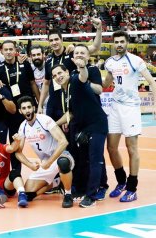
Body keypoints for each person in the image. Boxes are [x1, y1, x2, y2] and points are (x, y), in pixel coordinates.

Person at [103, 30, 156, 202]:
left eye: (122, 41)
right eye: (116, 42)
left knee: (131, 147)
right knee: (111, 147)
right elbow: (106, 83)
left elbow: (151, 81)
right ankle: (121, 182)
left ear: (127, 43)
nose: (119, 44)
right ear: (113, 44)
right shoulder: (110, 62)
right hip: (115, 107)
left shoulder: (136, 61)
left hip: (131, 108)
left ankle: (132, 188)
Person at [52, 49, 108, 207]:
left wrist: (82, 67)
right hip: (85, 128)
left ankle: (92, 197)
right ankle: (93, 188)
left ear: (67, 72)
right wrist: (52, 125)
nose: (58, 77)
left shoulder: (76, 79)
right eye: (55, 75)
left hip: (97, 124)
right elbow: (70, 113)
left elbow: (83, 78)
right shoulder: (66, 90)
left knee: (95, 160)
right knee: (86, 159)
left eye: (60, 73)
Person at [37, 18, 102, 121]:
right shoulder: (48, 60)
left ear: (62, 40)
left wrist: (99, 29)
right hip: (53, 104)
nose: (54, 42)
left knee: (68, 134)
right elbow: (46, 83)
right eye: (51, 40)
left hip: (68, 103)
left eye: (56, 39)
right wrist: (40, 105)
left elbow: (95, 47)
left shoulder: (72, 53)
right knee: (51, 133)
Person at [16, 96, 74, 208]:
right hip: (46, 161)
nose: (27, 110)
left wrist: (49, 162)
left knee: (62, 163)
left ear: (33, 107)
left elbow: (63, 142)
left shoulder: (44, 120)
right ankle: (57, 182)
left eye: (29, 107)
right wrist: (30, 165)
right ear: (20, 111)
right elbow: (18, 152)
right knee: (28, 193)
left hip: (61, 155)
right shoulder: (23, 126)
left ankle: (68, 194)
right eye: (24, 108)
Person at [0, 40, 39, 173]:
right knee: (2, 144)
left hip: (22, 111)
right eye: (5, 49)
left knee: (17, 144)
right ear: (1, 51)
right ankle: (1, 173)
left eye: (10, 49)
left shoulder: (24, 64)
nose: (8, 52)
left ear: (15, 51)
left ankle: (16, 173)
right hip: (6, 111)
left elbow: (32, 83)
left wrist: (38, 102)